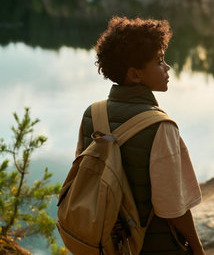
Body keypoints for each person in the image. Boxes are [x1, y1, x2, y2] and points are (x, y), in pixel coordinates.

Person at [74, 16, 206, 255]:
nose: (168, 68)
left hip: (107, 243)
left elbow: (83, 178)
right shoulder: (160, 126)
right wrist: (198, 249)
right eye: (159, 61)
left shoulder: (92, 114)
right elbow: (173, 208)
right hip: (155, 246)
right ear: (135, 75)